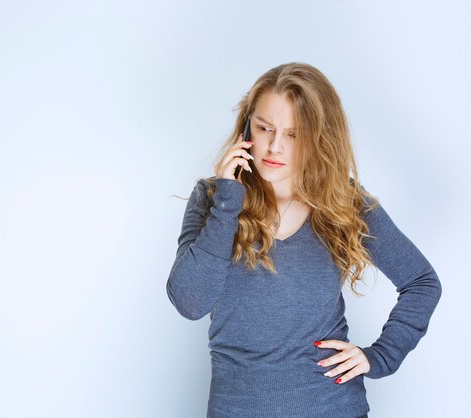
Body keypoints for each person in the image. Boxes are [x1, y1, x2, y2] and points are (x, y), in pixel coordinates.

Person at [166, 62, 442, 418]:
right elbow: (189, 302)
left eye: (293, 135)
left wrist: (380, 356)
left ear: (318, 139)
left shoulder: (346, 203)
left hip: (334, 407)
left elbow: (421, 283)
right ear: (247, 124)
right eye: (264, 128)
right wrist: (227, 202)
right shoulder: (213, 198)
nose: (274, 146)